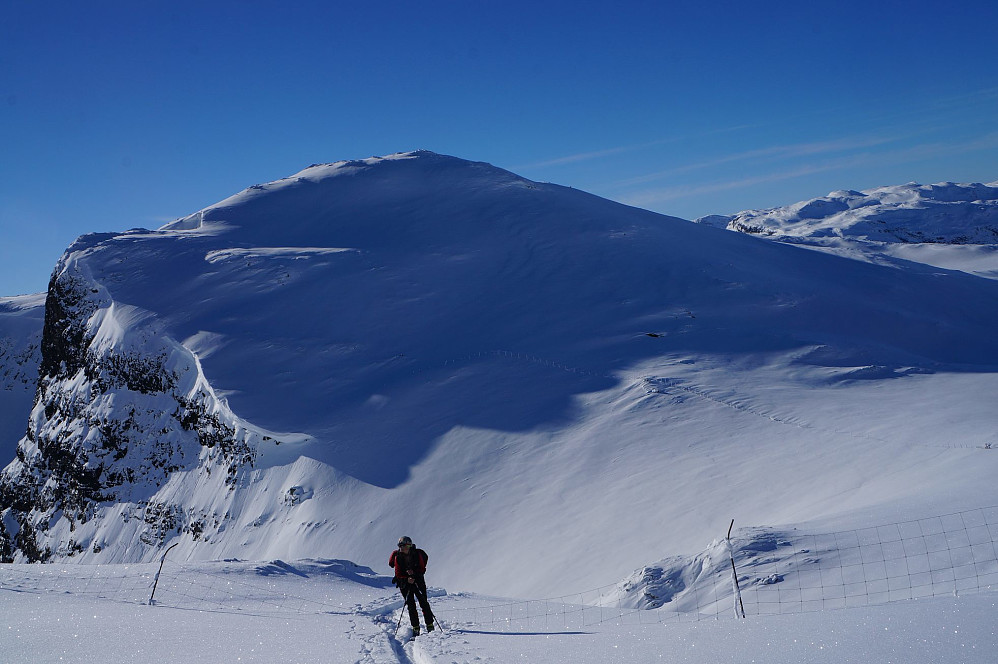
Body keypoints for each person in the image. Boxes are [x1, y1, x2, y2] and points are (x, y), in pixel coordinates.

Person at [389, 535, 434, 635]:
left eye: (405, 546)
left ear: (410, 545)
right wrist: (407, 579)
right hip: (405, 584)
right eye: (401, 546)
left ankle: (429, 625)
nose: (403, 548)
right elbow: (398, 574)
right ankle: (416, 627)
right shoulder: (398, 557)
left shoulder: (417, 554)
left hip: (418, 580)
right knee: (411, 605)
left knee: (424, 603)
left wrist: (413, 574)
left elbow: (422, 569)